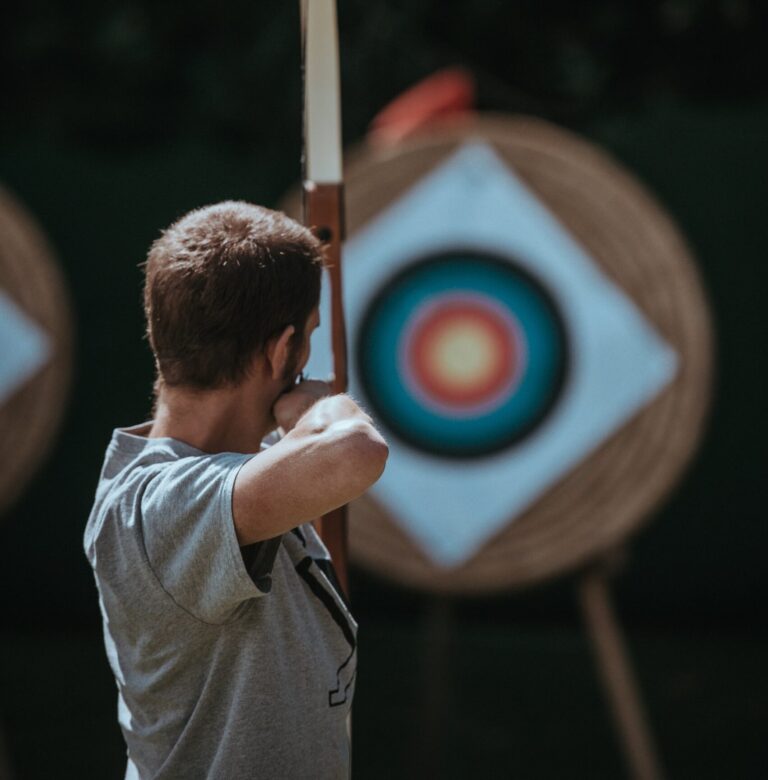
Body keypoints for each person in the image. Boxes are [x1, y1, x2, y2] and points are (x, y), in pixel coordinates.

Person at [84, 201, 388, 779]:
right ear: (282, 349)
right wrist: (320, 407)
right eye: (308, 341)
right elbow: (356, 452)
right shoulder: (154, 505)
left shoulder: (245, 470)